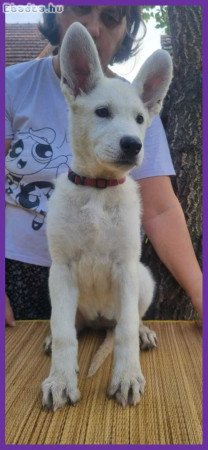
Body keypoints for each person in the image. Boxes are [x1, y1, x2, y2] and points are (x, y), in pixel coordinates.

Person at [5, 5, 202, 326]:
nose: (94, 29)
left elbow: (159, 210)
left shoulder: (136, 110)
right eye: (81, 8)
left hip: (103, 284)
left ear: (126, 31)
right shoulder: (13, 85)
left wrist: (199, 290)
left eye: (111, 18)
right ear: (55, 14)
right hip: (16, 274)